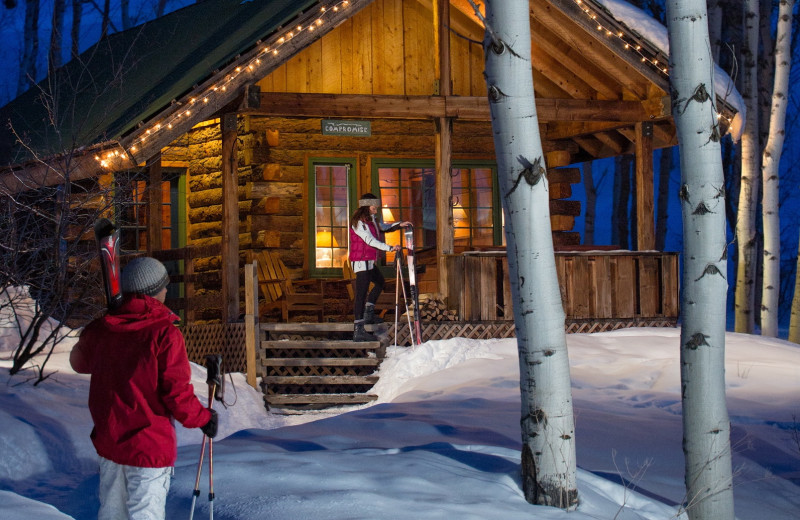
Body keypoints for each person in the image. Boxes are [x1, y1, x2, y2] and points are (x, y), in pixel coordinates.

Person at [70, 256, 217, 520]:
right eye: (164, 286)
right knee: (144, 515)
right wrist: (204, 418)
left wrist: (101, 324)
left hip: (110, 443)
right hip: (149, 447)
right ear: (153, 291)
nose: (166, 291)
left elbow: (78, 361)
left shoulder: (105, 329)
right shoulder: (165, 334)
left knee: (112, 515)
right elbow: (177, 394)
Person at [349, 193, 410, 342]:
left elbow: (383, 227)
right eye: (373, 205)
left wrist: (399, 224)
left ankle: (369, 314)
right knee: (361, 295)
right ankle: (358, 330)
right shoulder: (358, 223)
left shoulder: (371, 221)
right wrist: (389, 248)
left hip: (369, 261)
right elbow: (369, 240)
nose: (376, 207)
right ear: (366, 206)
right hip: (361, 262)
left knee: (380, 282)